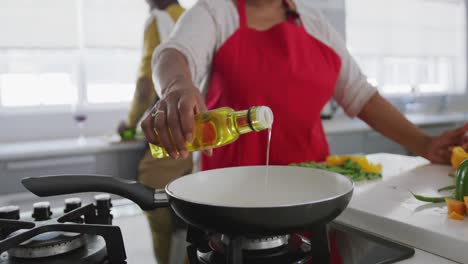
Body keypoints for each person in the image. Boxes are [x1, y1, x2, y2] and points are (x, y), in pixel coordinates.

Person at [141, 0, 467, 260]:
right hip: (233, 211)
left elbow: (361, 96)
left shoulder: (315, 23)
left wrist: (425, 143)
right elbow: (172, 54)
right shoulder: (215, 12)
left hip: (314, 206)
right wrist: (177, 86)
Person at [117, 1, 191, 263]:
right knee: (193, 213)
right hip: (205, 128)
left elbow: (145, 83)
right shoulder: (193, 17)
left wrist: (129, 123)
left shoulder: (157, 20)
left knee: (153, 199)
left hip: (174, 128)